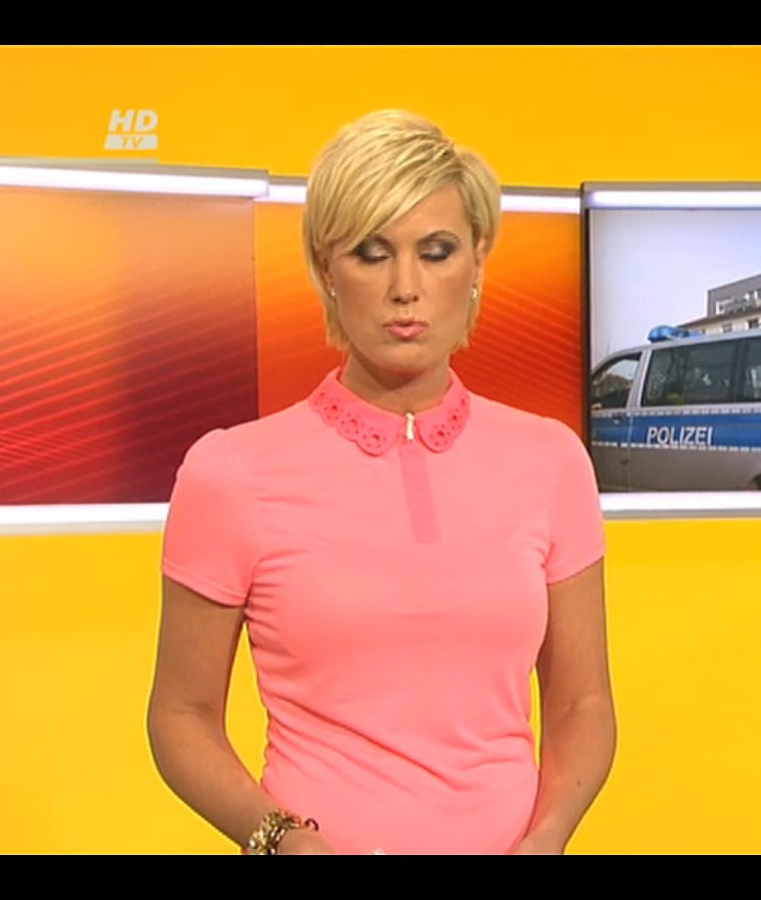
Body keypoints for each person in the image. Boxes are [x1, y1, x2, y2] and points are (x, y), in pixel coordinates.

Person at [146, 109, 616, 855]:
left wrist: (550, 834)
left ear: (476, 264)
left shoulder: (552, 461)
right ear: (326, 269)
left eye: (436, 252)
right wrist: (279, 839)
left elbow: (582, 704)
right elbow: (181, 715)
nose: (406, 288)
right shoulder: (231, 472)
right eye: (372, 253)